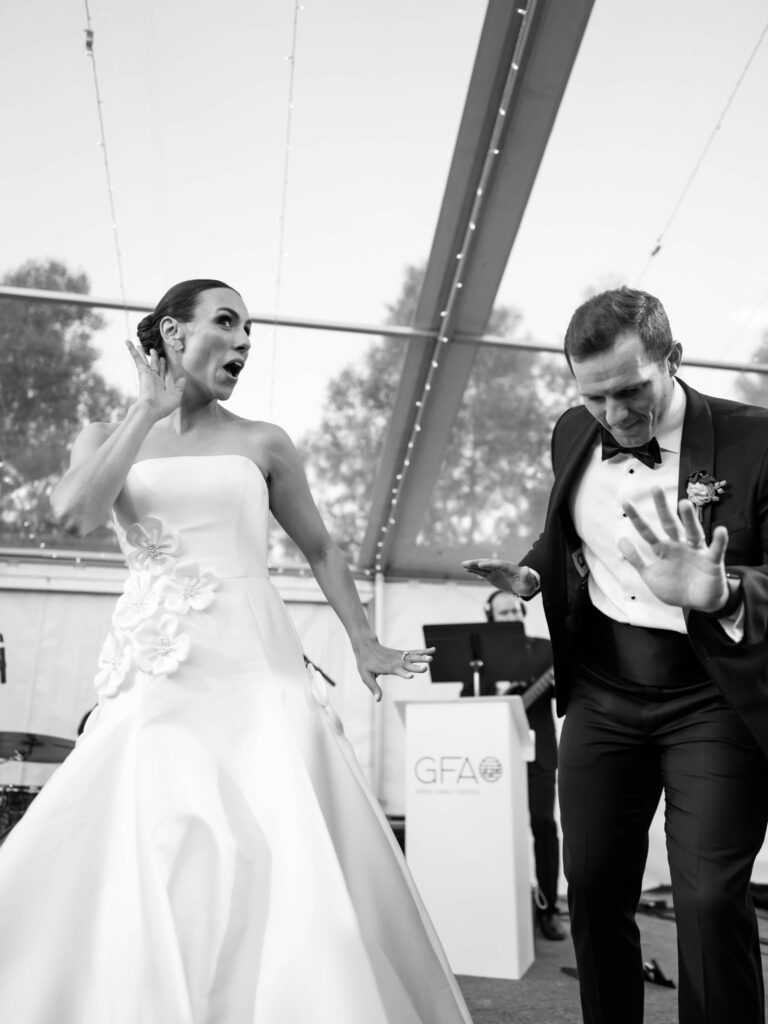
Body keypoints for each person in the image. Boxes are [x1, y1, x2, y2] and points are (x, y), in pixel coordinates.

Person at [0, 279, 473, 1024]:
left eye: (250, 328)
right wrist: (145, 412)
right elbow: (79, 515)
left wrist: (364, 641)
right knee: (155, 822)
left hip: (258, 665)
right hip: (159, 667)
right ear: (172, 335)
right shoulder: (102, 435)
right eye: (227, 323)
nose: (246, 341)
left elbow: (319, 545)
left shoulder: (265, 442)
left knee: (279, 825)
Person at [463, 286, 768, 1024]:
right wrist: (533, 571)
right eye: (596, 397)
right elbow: (569, 531)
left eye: (631, 391)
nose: (615, 415)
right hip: (603, 693)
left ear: (674, 360)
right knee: (594, 886)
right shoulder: (571, 431)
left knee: (706, 898)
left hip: (712, 699)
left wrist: (722, 590)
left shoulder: (756, 439)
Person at [484, 590, 565, 941]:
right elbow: (468, 701)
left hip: (538, 752)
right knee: (494, 831)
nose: (512, 615)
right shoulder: (480, 655)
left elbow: (566, 695)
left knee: (544, 825)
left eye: (516, 609)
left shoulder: (546, 649)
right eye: (503, 612)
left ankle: (548, 909)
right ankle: (496, 903)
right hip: (493, 758)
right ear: (490, 618)